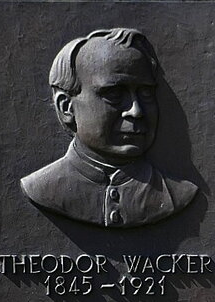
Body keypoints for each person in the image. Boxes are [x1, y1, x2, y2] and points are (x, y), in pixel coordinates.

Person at [21, 27, 198, 229]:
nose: (136, 111)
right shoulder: (42, 188)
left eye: (146, 94)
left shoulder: (178, 195)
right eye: (114, 95)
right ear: (66, 107)